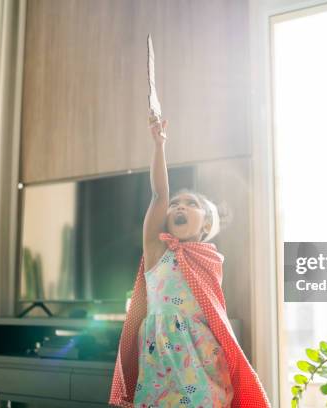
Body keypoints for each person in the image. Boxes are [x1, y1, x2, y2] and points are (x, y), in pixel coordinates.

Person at [109, 111, 271, 408]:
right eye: (175, 205)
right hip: (161, 358)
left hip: (203, 357)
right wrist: (159, 146)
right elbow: (160, 193)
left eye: (191, 204)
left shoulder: (210, 259)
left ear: (207, 225)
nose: (179, 207)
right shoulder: (157, 251)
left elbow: (214, 314)